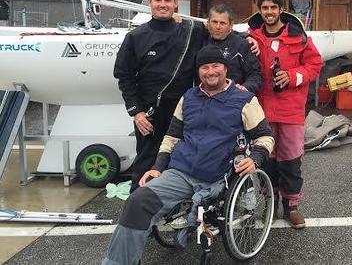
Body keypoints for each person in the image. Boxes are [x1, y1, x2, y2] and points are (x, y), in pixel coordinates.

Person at [102, 45, 274, 265]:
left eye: (216, 66)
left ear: (225, 68)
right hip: (181, 173)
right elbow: (172, 137)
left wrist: (255, 159)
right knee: (137, 201)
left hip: (217, 177)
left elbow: (265, 137)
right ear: (198, 71)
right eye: (205, 67)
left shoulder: (244, 100)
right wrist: (157, 167)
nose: (210, 71)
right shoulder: (188, 97)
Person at [114, 0, 259, 192]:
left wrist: (247, 38)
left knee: (183, 161)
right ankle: (142, 215)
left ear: (175, 4)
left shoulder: (190, 30)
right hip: (150, 113)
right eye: (157, 0)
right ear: (150, 3)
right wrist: (136, 112)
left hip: (188, 108)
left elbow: (220, 31)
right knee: (146, 161)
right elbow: (124, 77)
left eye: (167, 0)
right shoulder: (135, 37)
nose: (162, 4)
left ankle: (176, 209)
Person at [247, 0, 323, 229]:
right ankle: (271, 200)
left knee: (290, 159)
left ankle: (292, 206)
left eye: (273, 8)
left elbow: (315, 65)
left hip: (290, 110)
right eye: (264, 8)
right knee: (266, 159)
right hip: (262, 110)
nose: (269, 12)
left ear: (281, 10)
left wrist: (292, 76)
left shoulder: (299, 38)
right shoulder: (251, 38)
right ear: (260, 10)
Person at [204, 3, 262, 94]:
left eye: (222, 23)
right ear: (208, 23)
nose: (218, 27)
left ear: (231, 25)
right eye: (214, 22)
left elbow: (255, 75)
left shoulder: (243, 45)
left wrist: (245, 87)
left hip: (233, 100)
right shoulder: (200, 40)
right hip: (205, 99)